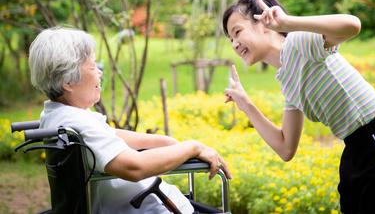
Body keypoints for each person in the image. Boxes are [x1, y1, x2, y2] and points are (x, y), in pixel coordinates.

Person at [222, 0, 375, 214]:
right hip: (355, 148)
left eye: (237, 32)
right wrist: (246, 104)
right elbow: (285, 147)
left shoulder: (298, 43)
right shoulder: (286, 78)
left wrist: (288, 23)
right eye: (230, 39)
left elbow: (352, 25)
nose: (234, 44)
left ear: (263, 22)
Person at [29, 27, 232, 214]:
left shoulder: (58, 115)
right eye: (92, 67)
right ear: (68, 82)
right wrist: (193, 147)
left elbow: (110, 134)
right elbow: (135, 167)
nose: (99, 73)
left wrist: (167, 142)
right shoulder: (79, 124)